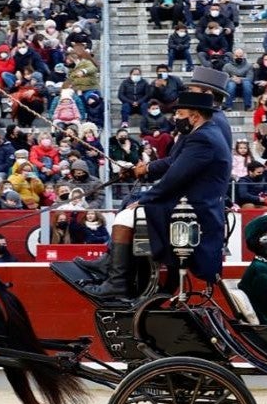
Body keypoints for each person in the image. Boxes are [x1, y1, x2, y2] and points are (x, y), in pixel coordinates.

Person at [80, 90, 230, 298]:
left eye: (180, 114)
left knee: (125, 215)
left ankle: (117, 282)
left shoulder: (203, 139)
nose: (175, 118)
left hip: (195, 208)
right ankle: (109, 265)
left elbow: (175, 176)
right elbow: (171, 163)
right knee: (128, 202)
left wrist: (145, 199)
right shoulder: (202, 133)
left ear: (195, 116)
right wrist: (144, 169)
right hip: (192, 202)